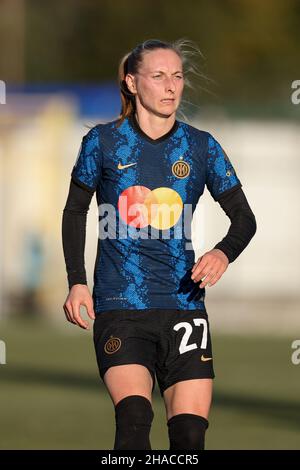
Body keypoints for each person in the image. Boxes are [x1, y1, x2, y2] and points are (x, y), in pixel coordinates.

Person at [62, 38, 257, 450]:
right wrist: (77, 280)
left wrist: (223, 252)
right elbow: (74, 211)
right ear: (133, 83)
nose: (171, 86)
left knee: (188, 436)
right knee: (134, 420)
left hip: (184, 305)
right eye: (158, 76)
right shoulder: (103, 142)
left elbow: (244, 218)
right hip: (120, 306)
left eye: (178, 76)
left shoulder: (201, 146)